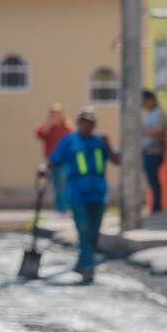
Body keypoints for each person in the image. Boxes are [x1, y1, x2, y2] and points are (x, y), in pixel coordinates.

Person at [41, 108, 121, 283]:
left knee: (93, 233)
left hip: (99, 195)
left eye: (90, 122)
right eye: (84, 122)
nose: (87, 125)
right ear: (78, 123)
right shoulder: (69, 141)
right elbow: (54, 161)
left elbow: (117, 160)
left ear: (95, 124)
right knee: (84, 231)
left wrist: (109, 144)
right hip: (78, 195)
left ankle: (82, 263)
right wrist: (43, 170)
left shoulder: (100, 141)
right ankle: (88, 268)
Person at [35, 104, 74, 214]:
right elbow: (39, 134)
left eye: (57, 113)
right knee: (56, 186)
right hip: (51, 162)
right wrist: (50, 124)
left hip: (64, 162)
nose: (55, 116)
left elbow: (72, 140)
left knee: (63, 185)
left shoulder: (66, 127)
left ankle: (64, 209)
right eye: (53, 113)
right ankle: (60, 208)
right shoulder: (49, 127)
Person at [142, 90, 167, 215]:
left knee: (153, 180)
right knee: (151, 180)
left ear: (150, 99)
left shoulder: (158, 113)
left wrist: (143, 131)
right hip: (148, 150)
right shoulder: (150, 114)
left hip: (154, 151)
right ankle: (155, 205)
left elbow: (159, 131)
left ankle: (157, 206)